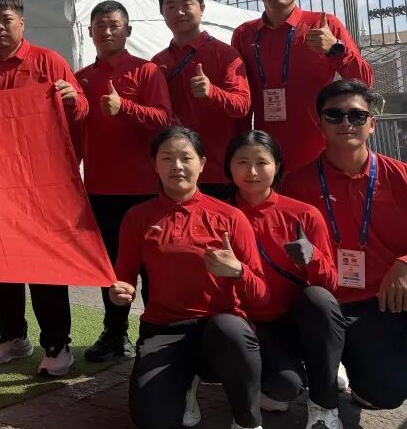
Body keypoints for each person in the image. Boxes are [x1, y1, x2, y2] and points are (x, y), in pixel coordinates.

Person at [0, 0, 88, 377]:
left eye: (6, 20)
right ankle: (13, 336)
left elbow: (82, 109)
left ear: (21, 23)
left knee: (44, 264)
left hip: (41, 184)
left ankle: (57, 343)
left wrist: (72, 98)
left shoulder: (48, 61)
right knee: (2, 263)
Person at [110, 127, 268, 429]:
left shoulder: (231, 217)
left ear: (202, 163)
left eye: (186, 157)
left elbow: (261, 294)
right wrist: (120, 292)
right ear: (155, 164)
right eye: (167, 158)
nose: (177, 166)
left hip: (219, 330)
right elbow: (124, 277)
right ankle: (183, 382)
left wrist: (237, 271)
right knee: (151, 419)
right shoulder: (137, 217)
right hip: (164, 330)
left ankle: (247, 420)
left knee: (233, 332)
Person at [282, 80, 407, 411]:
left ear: (372, 123)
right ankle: (336, 361)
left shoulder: (400, 176)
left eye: (357, 115)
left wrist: (405, 262)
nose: (346, 123)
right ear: (319, 123)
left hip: (389, 298)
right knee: (384, 392)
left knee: (386, 390)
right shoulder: (296, 185)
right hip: (331, 304)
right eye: (334, 115)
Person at [74, 0, 172, 363]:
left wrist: (126, 107)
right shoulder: (81, 77)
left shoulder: (147, 71)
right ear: (90, 32)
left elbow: (164, 120)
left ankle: (156, 336)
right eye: (100, 25)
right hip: (100, 190)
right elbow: (74, 132)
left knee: (152, 267)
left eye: (114, 25)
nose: (107, 31)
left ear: (127, 30)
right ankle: (115, 333)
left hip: (145, 191)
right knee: (112, 269)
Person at [225, 130, 343, 428]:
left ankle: (324, 404)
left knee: (320, 300)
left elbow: (331, 286)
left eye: (261, 162)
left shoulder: (305, 215)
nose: (252, 172)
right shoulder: (219, 216)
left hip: (294, 321)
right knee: (285, 388)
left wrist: (312, 257)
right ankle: (260, 380)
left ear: (277, 166)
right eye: (242, 162)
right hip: (250, 324)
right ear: (229, 166)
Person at [231, 0, 373, 173]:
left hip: (319, 152)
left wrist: (336, 49)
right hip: (266, 154)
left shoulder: (324, 25)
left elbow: (364, 81)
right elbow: (241, 95)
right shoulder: (244, 34)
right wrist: (240, 147)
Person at [152, 0, 250, 200]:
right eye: (170, 6)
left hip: (217, 172)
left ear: (202, 8)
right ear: (162, 12)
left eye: (186, 4)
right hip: (174, 173)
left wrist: (212, 92)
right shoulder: (157, 62)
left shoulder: (225, 54)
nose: (179, 12)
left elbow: (243, 106)